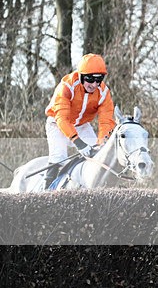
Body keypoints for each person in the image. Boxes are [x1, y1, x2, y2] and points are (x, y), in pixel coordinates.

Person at [43, 53, 116, 189]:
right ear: (81, 75)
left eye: (98, 79)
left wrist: (101, 143)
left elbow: (106, 122)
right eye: (89, 79)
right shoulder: (66, 86)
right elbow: (62, 119)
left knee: (98, 155)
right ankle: (45, 193)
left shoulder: (104, 92)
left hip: (82, 126)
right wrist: (79, 143)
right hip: (57, 124)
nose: (94, 84)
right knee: (58, 157)